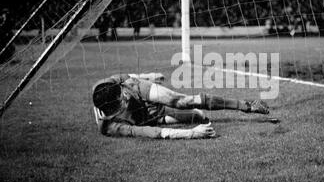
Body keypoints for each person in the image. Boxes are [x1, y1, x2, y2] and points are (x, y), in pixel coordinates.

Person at [92, 73, 270, 139]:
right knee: (197, 116)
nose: (125, 97)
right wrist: (193, 133)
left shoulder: (105, 85)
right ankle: (177, 116)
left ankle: (246, 105)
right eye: (122, 100)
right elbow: (150, 133)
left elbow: (123, 77)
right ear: (113, 109)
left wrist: (148, 76)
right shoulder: (110, 126)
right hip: (149, 118)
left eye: (122, 93)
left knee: (181, 101)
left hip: (138, 88)